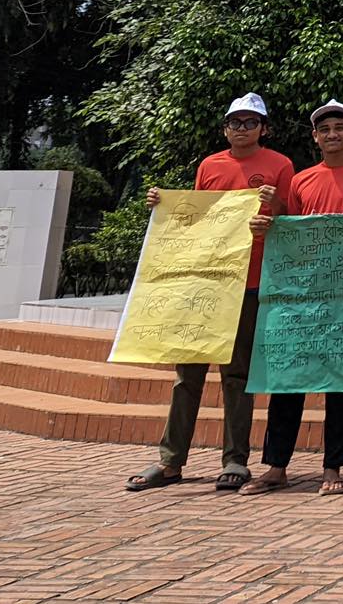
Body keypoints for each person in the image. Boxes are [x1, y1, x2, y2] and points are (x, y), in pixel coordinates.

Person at [125, 92, 294, 494]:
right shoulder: (210, 165)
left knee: (237, 375)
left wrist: (276, 208)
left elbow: (292, 219)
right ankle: (170, 461)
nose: (242, 128)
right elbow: (199, 219)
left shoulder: (280, 166)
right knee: (187, 374)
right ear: (225, 128)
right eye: (235, 122)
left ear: (264, 128)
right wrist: (163, 205)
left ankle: (235, 460)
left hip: (250, 281)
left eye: (250, 122)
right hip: (206, 282)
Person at [241, 99, 343, 497]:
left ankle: (333, 466)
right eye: (325, 129)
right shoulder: (301, 181)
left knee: (340, 381)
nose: (333, 134)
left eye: (340, 127)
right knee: (287, 379)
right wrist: (265, 220)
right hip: (300, 297)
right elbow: (286, 234)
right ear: (315, 137)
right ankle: (276, 465)